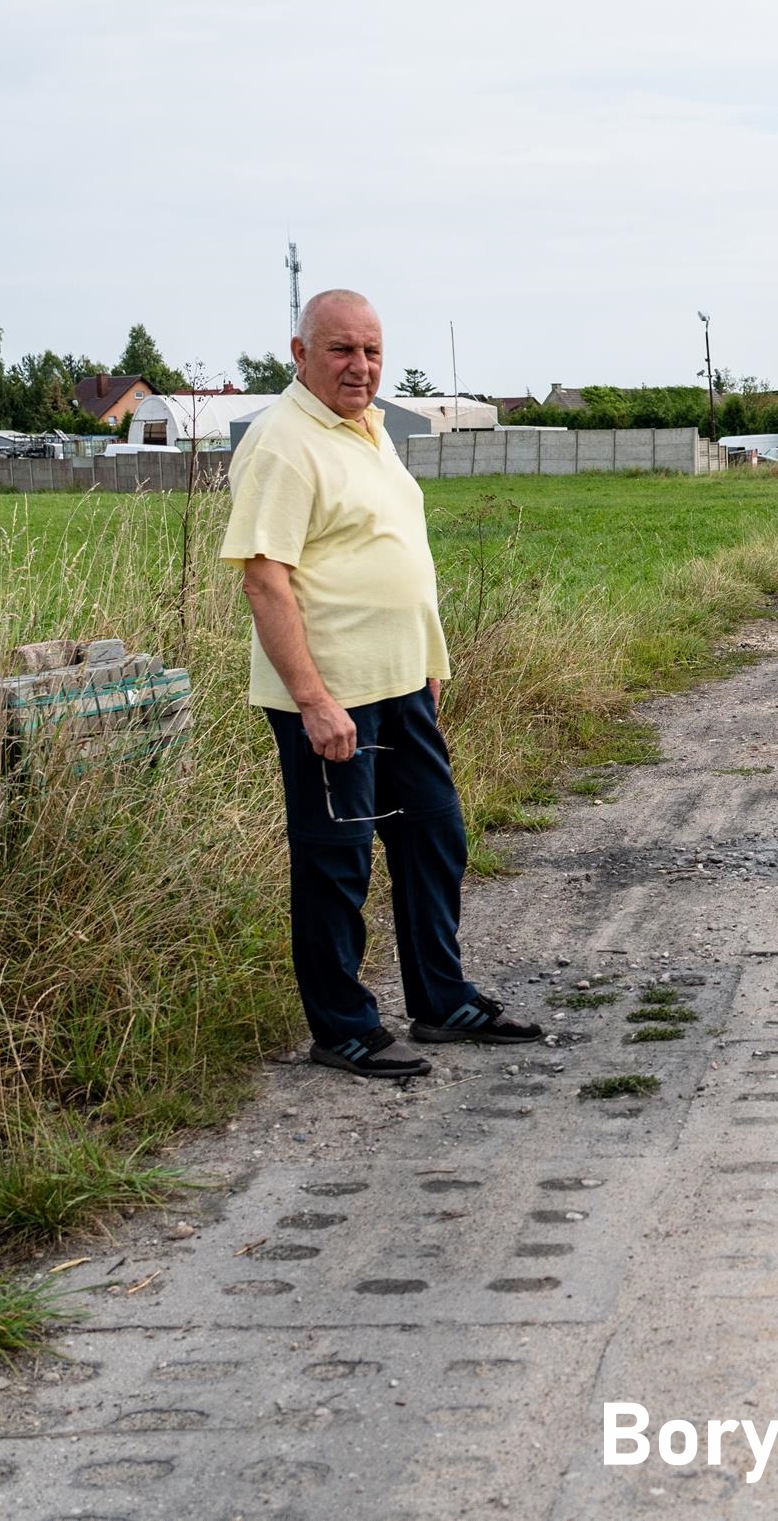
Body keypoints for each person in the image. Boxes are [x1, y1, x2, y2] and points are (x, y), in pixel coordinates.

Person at [222, 288, 541, 1078]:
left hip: (400, 685)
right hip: (332, 698)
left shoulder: (365, 430)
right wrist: (314, 701)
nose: (359, 367)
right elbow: (265, 579)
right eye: (340, 350)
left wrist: (427, 660)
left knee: (433, 835)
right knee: (337, 861)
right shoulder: (282, 443)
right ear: (299, 355)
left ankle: (441, 1001)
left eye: (370, 351)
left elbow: (386, 549)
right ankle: (342, 1028)